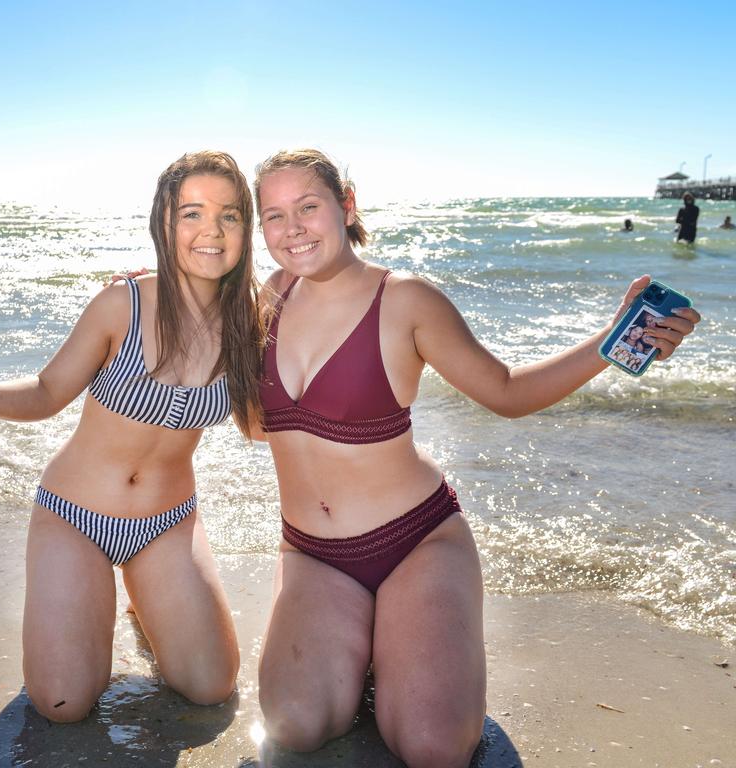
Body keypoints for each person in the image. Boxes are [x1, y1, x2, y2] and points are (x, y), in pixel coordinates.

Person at [249, 149, 701, 764]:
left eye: (308, 206)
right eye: (274, 215)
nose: (293, 227)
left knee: (434, 746)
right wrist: (142, 288)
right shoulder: (259, 303)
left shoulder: (405, 299)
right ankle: (376, 654)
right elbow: (252, 419)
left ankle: (412, 652)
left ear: (345, 205)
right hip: (313, 555)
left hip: (415, 541)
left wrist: (613, 340)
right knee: (295, 725)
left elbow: (507, 393)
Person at [0, 151, 263, 723]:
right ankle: (83, 602)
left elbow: (261, 426)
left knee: (212, 687)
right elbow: (45, 392)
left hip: (168, 523)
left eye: (229, 215)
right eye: (192, 213)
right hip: (75, 517)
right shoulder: (124, 304)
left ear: (246, 228)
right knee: (63, 704)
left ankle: (142, 597)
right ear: (165, 222)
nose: (210, 230)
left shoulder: (251, 324)